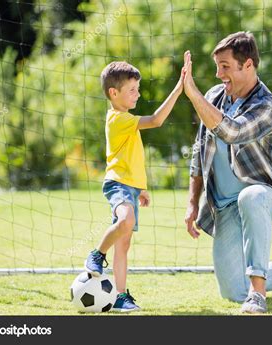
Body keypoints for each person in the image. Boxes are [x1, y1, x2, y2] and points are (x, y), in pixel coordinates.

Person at [182, 32, 272, 313]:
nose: (219, 74)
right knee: (232, 291)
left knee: (251, 196)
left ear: (248, 65)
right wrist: (192, 202)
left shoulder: (267, 106)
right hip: (223, 206)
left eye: (225, 66)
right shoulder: (214, 97)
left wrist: (192, 93)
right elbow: (199, 151)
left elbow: (232, 132)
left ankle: (258, 294)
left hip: (262, 195)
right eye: (217, 66)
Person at [84, 61, 184, 312]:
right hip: (116, 184)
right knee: (125, 220)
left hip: (130, 186)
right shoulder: (118, 119)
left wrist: (141, 189)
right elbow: (157, 120)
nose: (138, 94)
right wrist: (179, 89)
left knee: (124, 244)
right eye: (132, 89)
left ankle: (119, 296)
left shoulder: (126, 120)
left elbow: (133, 158)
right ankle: (96, 255)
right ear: (113, 93)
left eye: (137, 89)